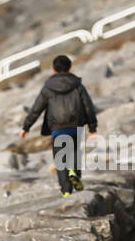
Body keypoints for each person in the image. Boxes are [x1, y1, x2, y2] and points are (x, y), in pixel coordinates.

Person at [20, 54, 99, 197]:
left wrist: (26, 127)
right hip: (75, 126)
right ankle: (74, 172)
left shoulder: (48, 88)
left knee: (60, 159)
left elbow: (36, 109)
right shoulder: (78, 85)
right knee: (75, 152)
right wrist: (92, 127)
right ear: (70, 68)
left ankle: (66, 190)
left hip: (57, 128)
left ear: (53, 69)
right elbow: (88, 106)